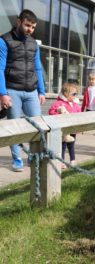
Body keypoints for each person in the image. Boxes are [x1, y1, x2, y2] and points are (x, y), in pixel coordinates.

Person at [0, 9, 46, 172]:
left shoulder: (34, 43)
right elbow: (0, 68)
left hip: (32, 91)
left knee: (37, 127)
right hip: (12, 90)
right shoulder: (4, 40)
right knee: (15, 127)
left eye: (33, 27)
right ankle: (17, 158)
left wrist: (42, 90)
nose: (30, 30)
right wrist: (3, 93)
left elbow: (38, 68)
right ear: (19, 21)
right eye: (27, 25)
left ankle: (32, 157)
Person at [48, 83, 81, 169]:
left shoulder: (75, 104)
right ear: (66, 93)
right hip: (63, 130)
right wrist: (58, 112)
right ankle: (61, 161)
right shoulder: (59, 103)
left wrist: (80, 126)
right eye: (73, 94)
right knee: (62, 145)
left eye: (76, 94)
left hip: (72, 129)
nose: (75, 96)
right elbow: (51, 112)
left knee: (72, 144)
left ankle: (72, 160)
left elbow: (79, 115)